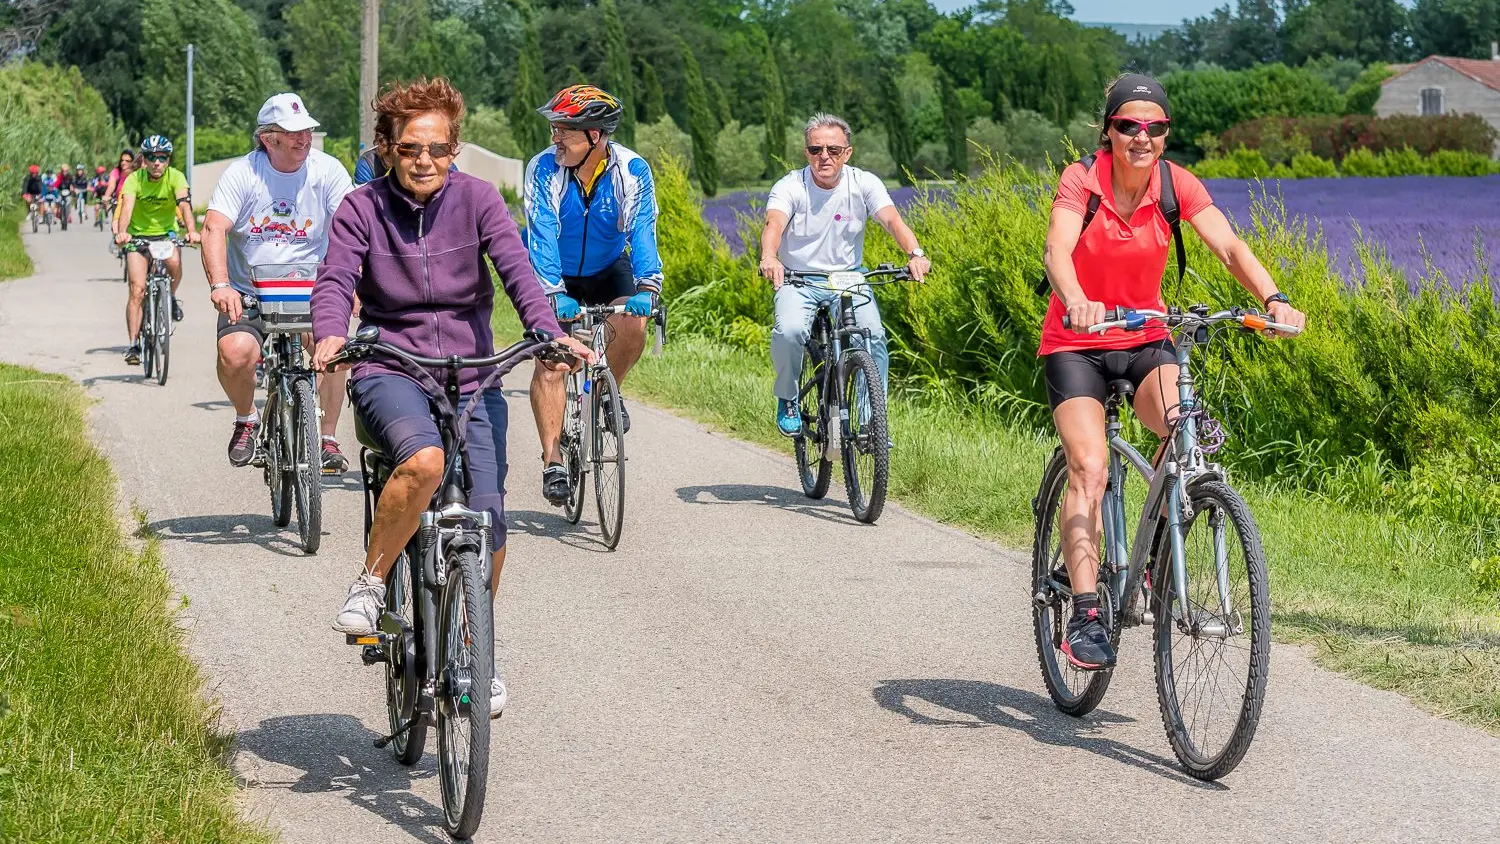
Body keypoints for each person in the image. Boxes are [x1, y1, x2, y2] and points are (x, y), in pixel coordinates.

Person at [309, 77, 592, 718]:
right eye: (410, 148)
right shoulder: (360, 208)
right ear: (388, 148)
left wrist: (549, 334)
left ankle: (475, 649)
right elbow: (335, 281)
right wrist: (330, 335)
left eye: (438, 148)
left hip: (474, 373)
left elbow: (519, 273)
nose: (425, 160)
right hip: (393, 366)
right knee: (424, 463)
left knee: (490, 526)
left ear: (454, 149)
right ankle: (371, 581)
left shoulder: (480, 201)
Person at [1040, 74, 1307, 671]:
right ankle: (1086, 612)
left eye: (1155, 128)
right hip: (1077, 341)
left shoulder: (1175, 185)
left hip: (1145, 338)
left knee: (1188, 432)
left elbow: (1230, 248)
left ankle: (1159, 553)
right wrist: (1076, 296)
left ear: (1165, 134)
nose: (1142, 137)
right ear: (1108, 131)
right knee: (1090, 465)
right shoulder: (1083, 180)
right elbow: (1058, 250)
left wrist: (1272, 297)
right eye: (1129, 126)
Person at [202, 93, 357, 473]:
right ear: (268, 139)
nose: (303, 138)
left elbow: (353, 229)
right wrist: (220, 285)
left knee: (334, 353)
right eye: (292, 132)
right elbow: (213, 228)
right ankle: (246, 420)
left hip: (312, 287)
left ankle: (328, 439)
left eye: (307, 129)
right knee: (236, 353)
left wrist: (355, 284)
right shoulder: (243, 174)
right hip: (249, 289)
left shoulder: (328, 171)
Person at [523, 84, 662, 505]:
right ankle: (552, 462)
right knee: (553, 362)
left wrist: (647, 286)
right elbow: (540, 232)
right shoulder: (543, 168)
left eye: (564, 130)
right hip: (555, 272)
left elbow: (641, 229)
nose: (555, 139)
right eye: (553, 130)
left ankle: (606, 392)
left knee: (632, 325)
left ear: (594, 137)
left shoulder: (632, 170)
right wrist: (553, 292)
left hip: (606, 268)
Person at [759, 113, 931, 437]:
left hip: (848, 278)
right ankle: (788, 397)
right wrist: (770, 257)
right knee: (789, 331)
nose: (824, 156)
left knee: (874, 336)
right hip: (798, 278)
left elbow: (893, 221)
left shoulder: (863, 183)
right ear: (806, 152)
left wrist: (915, 254)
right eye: (815, 149)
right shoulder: (790, 186)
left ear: (847, 153)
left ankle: (870, 420)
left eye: (833, 150)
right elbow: (774, 224)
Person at [113, 135, 199, 365]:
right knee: (137, 290)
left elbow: (184, 205)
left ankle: (169, 296)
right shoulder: (134, 179)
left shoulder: (176, 177)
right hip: (138, 236)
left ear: (168, 159)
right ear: (145, 160)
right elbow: (127, 209)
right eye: (152, 157)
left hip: (165, 235)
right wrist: (122, 232)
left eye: (162, 157)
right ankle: (133, 344)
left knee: (174, 264)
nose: (157, 162)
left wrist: (191, 230)